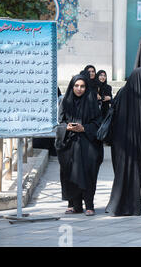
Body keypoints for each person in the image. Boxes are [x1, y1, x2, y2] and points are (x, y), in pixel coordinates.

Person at [105, 67, 141, 216]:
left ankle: (115, 206)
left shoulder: (121, 92)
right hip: (137, 141)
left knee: (120, 172)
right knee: (135, 172)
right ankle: (133, 207)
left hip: (119, 142)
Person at [55, 75, 104, 216]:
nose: (79, 89)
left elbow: (98, 124)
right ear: (72, 86)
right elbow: (59, 123)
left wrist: (84, 128)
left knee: (89, 173)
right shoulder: (66, 101)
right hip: (69, 145)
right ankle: (73, 204)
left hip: (88, 145)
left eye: (82, 86)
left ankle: (89, 204)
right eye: (76, 86)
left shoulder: (92, 102)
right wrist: (68, 127)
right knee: (69, 173)